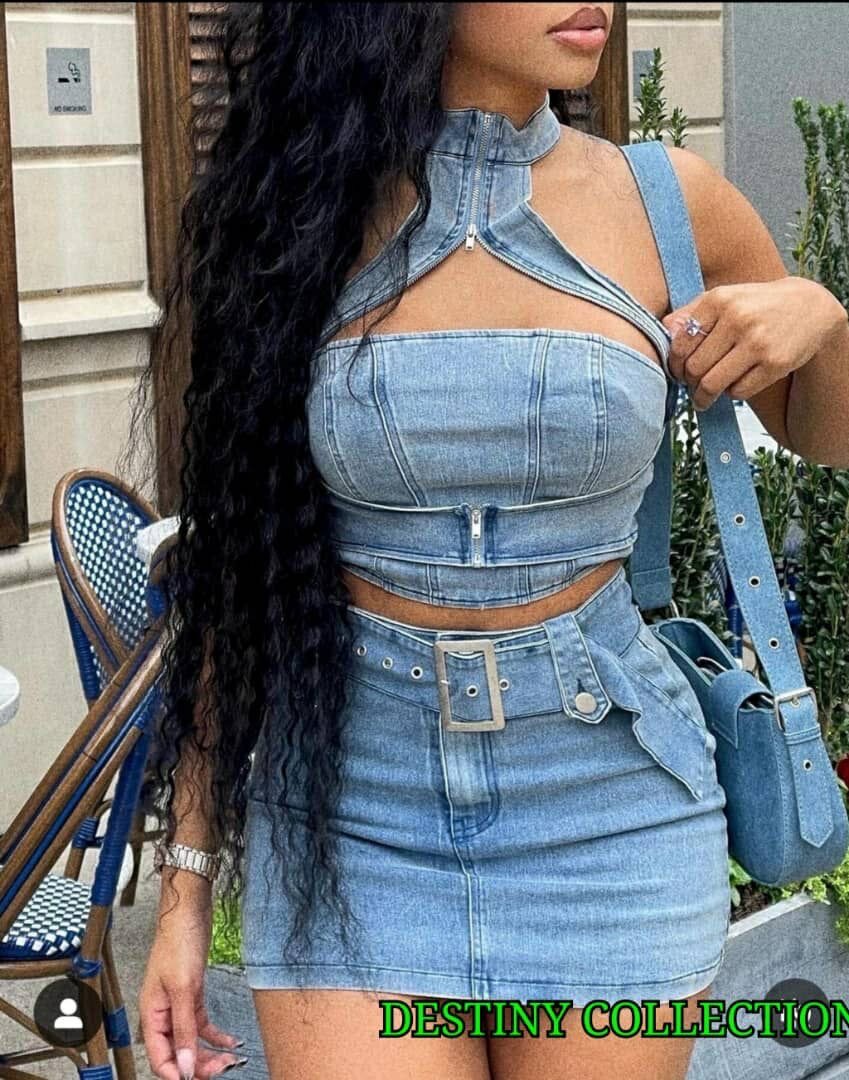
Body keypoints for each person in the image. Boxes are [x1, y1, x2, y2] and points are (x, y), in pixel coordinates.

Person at [134, 4, 849, 1079]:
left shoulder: (671, 201)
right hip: (352, 815)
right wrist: (184, 891)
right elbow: (237, 578)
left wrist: (818, 315)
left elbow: (826, 435)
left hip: (610, 806)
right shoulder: (300, 211)